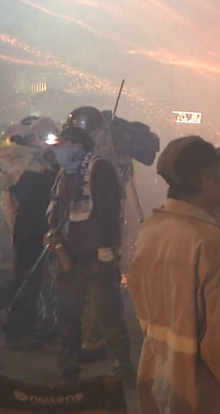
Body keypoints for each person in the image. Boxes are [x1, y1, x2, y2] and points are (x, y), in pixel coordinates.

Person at [128, 136, 220, 413]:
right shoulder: (210, 243)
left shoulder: (151, 229)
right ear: (205, 183)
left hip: (158, 382)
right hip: (202, 390)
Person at [46, 126, 134, 383]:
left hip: (98, 257)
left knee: (111, 316)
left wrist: (106, 246)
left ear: (79, 146)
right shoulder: (65, 173)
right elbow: (58, 210)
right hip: (69, 257)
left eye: (64, 145)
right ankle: (68, 368)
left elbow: (110, 212)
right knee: (67, 315)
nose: (60, 151)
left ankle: (123, 369)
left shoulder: (99, 169)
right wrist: (54, 237)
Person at [0, 120, 58, 350]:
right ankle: (18, 331)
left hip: (26, 233)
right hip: (32, 233)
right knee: (28, 282)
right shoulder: (29, 172)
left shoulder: (17, 170)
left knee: (27, 280)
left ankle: (23, 327)